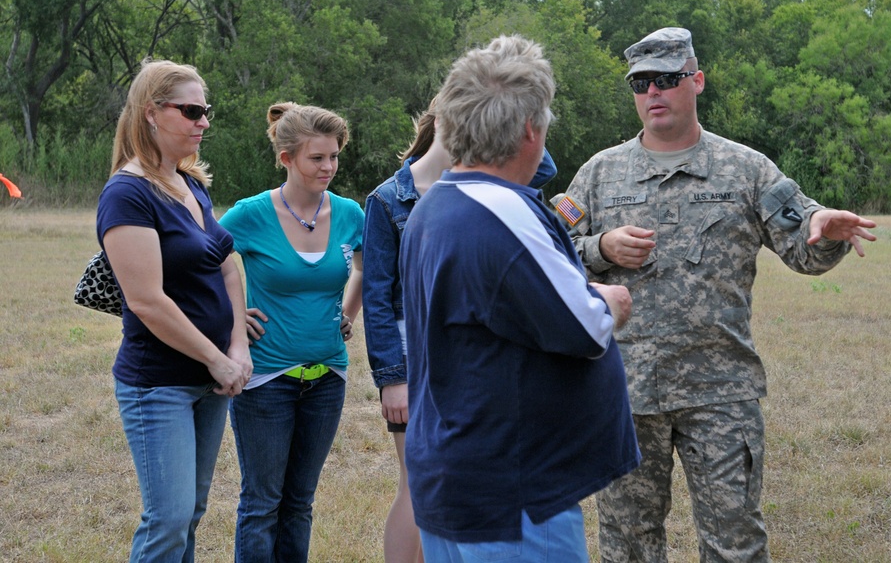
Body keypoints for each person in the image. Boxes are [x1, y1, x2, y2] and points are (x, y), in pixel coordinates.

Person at [558, 27, 879, 562]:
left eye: (666, 79)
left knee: (734, 543)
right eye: (641, 83)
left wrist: (826, 230)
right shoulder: (599, 173)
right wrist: (601, 246)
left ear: (697, 81)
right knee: (628, 545)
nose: (653, 93)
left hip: (720, 392)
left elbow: (804, 245)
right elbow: (549, 253)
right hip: (625, 392)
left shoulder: (746, 170)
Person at [398, 34, 641, 562]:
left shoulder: (434, 204)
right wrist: (609, 298)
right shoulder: (501, 213)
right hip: (512, 492)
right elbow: (585, 327)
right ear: (532, 129)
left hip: (457, 476)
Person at [362, 101, 557, 563]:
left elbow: (542, 163)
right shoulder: (388, 199)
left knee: (462, 475)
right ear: (446, 120)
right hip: (412, 351)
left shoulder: (483, 184)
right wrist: (392, 378)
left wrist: (512, 106)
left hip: (468, 347)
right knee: (418, 482)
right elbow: (375, 297)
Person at [97, 58, 253, 562]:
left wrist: (237, 342)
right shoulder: (127, 192)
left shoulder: (191, 184)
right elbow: (146, 301)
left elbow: (227, 263)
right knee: (166, 521)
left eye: (205, 110)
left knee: (189, 513)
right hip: (158, 382)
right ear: (151, 113)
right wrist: (217, 357)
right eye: (190, 110)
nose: (203, 120)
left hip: (211, 378)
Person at [218, 102, 363, 563]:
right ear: (286, 158)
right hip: (265, 380)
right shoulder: (250, 214)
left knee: (300, 504)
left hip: (328, 378)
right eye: (316, 158)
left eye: (334, 156)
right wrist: (233, 316)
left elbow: (366, 268)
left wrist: (348, 312)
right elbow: (203, 265)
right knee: (262, 505)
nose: (329, 167)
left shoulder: (350, 213)